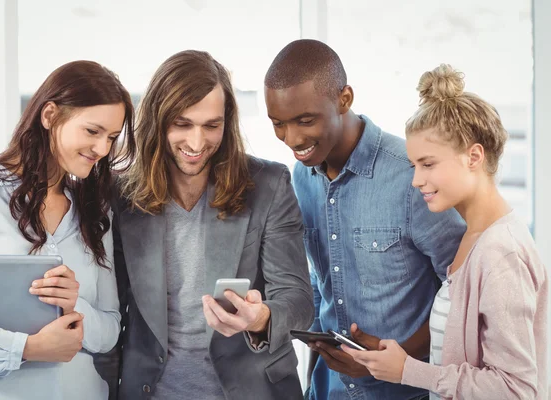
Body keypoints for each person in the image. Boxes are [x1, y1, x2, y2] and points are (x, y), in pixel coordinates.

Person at [95, 50, 314, 400]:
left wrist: (260, 319)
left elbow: (299, 302)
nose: (197, 144)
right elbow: (110, 312)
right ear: (158, 120)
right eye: (182, 125)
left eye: (211, 126)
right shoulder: (121, 194)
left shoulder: (269, 184)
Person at [263, 39, 466, 400]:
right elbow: (321, 280)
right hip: (327, 390)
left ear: (344, 99)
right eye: (278, 124)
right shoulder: (301, 176)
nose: (291, 139)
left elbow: (463, 295)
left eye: (305, 120)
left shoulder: (411, 176)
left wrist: (398, 355)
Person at [343, 64, 548, 400]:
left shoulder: (502, 253)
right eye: (414, 166)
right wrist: (393, 357)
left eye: (428, 163)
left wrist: (408, 371)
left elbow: (516, 390)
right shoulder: (474, 237)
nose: (416, 180)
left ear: (474, 156)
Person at [0, 60, 135, 399]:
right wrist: (26, 348)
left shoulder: (94, 210)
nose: (103, 149)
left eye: (111, 137)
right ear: (49, 115)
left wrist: (72, 304)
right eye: (92, 131)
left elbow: (110, 329)